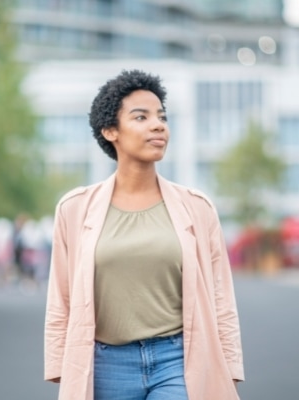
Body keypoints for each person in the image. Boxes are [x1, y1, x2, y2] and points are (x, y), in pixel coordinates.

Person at [44, 70, 245, 400]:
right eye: (141, 117)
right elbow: (60, 297)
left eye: (162, 117)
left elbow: (222, 297)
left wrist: (230, 366)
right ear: (111, 131)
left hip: (178, 361)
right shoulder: (74, 208)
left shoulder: (198, 208)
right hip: (105, 365)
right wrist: (59, 365)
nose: (158, 125)